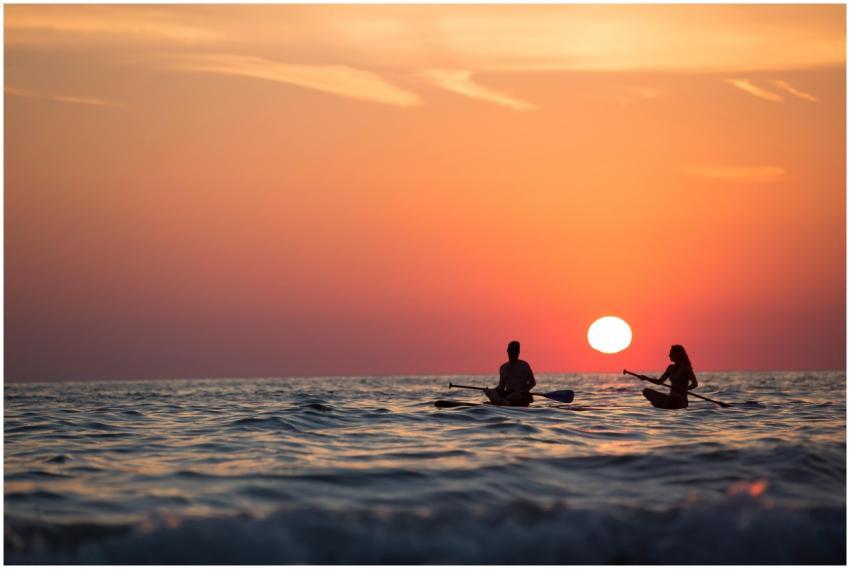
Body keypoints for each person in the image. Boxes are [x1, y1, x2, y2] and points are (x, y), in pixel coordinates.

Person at [640, 344, 698, 409]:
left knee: (674, 397)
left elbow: (695, 384)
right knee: (646, 391)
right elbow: (659, 382)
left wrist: (685, 389)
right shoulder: (670, 368)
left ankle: (663, 404)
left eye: (671, 353)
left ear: (677, 355)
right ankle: (664, 404)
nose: (669, 355)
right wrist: (646, 378)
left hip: (681, 399)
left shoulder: (686, 368)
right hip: (671, 397)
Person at [484, 340, 536, 406]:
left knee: (516, 396)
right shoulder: (503, 367)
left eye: (516, 350)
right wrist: (491, 391)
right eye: (512, 349)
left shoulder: (524, 365)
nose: (514, 352)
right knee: (492, 393)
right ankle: (504, 402)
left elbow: (532, 383)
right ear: (508, 351)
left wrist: (522, 390)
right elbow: (501, 387)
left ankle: (502, 402)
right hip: (508, 394)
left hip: (520, 395)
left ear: (519, 352)